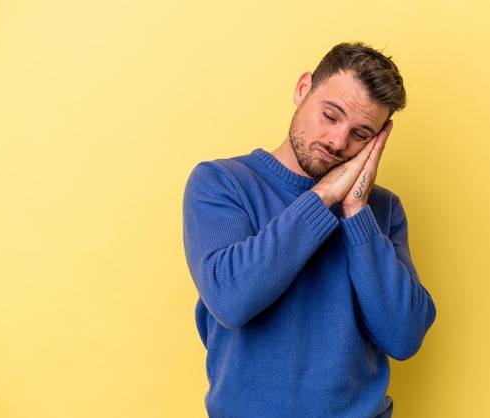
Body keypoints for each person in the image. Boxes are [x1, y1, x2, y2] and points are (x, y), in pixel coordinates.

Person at [183, 42, 436, 418]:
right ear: (303, 89)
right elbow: (231, 300)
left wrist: (354, 211)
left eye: (361, 133)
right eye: (331, 116)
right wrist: (323, 196)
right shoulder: (222, 183)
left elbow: (403, 337)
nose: (338, 142)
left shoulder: (381, 210)